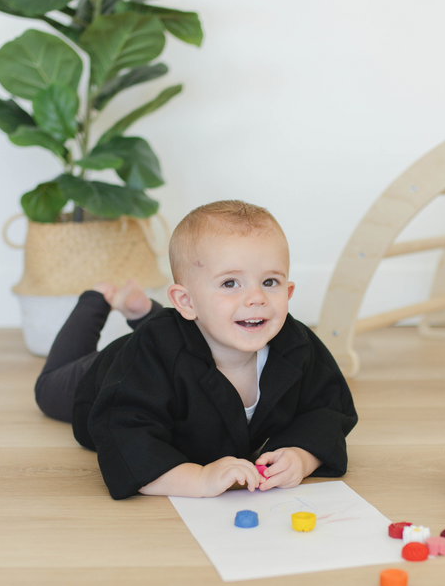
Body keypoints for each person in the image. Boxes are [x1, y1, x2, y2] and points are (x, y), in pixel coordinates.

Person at [35, 200, 358, 499]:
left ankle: (143, 311)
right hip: (109, 371)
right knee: (48, 389)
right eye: (231, 283)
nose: (256, 298)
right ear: (186, 301)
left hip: (184, 329)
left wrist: (303, 456)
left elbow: (328, 408)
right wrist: (200, 479)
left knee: (176, 328)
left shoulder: (296, 345)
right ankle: (96, 298)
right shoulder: (150, 356)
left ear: (288, 292)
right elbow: (125, 436)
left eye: (270, 282)